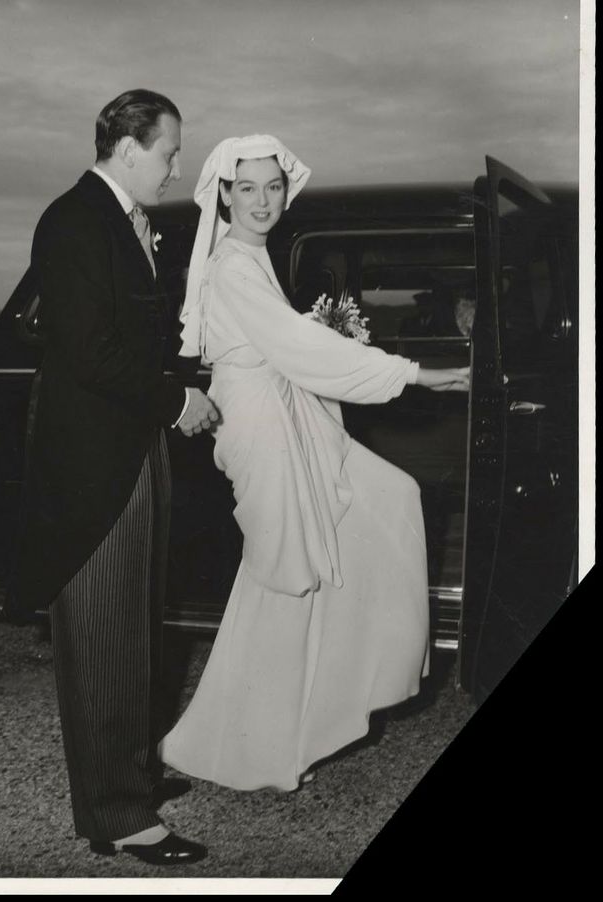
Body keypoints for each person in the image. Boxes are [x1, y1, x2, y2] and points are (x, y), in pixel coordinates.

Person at [158, 135, 469, 791]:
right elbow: (296, 344)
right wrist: (417, 373)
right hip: (260, 425)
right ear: (224, 194)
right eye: (248, 188)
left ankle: (312, 713)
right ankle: (247, 748)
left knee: (384, 499)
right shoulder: (231, 266)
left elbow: (292, 346)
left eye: (273, 187)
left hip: (286, 413)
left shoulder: (253, 256)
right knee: (283, 576)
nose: (263, 201)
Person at [3, 90, 217, 865]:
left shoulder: (122, 221)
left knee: (134, 625)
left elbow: (131, 339)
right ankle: (117, 816)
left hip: (132, 445)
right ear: (128, 149)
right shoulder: (74, 221)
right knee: (102, 634)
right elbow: (91, 353)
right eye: (169, 152)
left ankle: (128, 777)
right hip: (95, 461)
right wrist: (177, 401)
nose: (177, 168)